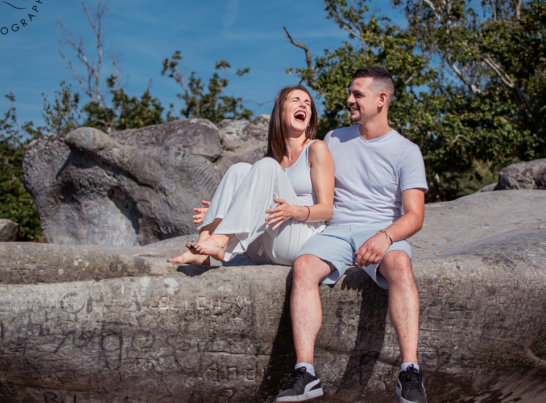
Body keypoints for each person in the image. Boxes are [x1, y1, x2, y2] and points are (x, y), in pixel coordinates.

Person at [274, 67, 428, 403]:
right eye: (351, 93)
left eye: (357, 94)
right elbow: (296, 179)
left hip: (381, 231)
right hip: (336, 230)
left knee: (400, 264)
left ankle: (410, 372)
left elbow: (415, 215)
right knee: (303, 267)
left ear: (381, 99)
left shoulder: (406, 151)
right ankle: (305, 373)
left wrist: (385, 237)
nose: (349, 99)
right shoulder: (333, 139)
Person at [168, 85, 334, 266]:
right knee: (239, 169)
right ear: (280, 113)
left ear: (310, 119)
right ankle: (203, 247)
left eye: (307, 103)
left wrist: (293, 210)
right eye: (296, 100)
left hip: (298, 241)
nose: (303, 105)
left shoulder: (316, 148)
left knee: (265, 165)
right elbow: (253, 201)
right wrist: (222, 209)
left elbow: (326, 210)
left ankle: (219, 241)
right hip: (261, 249)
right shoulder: (272, 161)